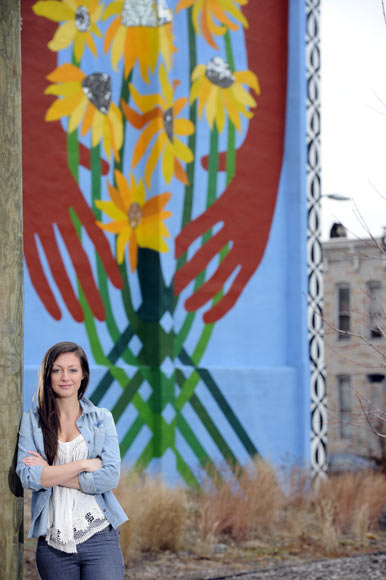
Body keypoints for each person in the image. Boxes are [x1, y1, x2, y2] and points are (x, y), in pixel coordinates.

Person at [17, 341, 128, 580]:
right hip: (52, 543)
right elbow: (28, 477)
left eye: (72, 370)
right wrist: (83, 465)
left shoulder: (101, 419)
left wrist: (50, 473)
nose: (65, 377)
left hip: (100, 538)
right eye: (57, 370)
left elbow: (109, 477)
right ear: (47, 375)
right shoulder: (32, 422)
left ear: (83, 374)